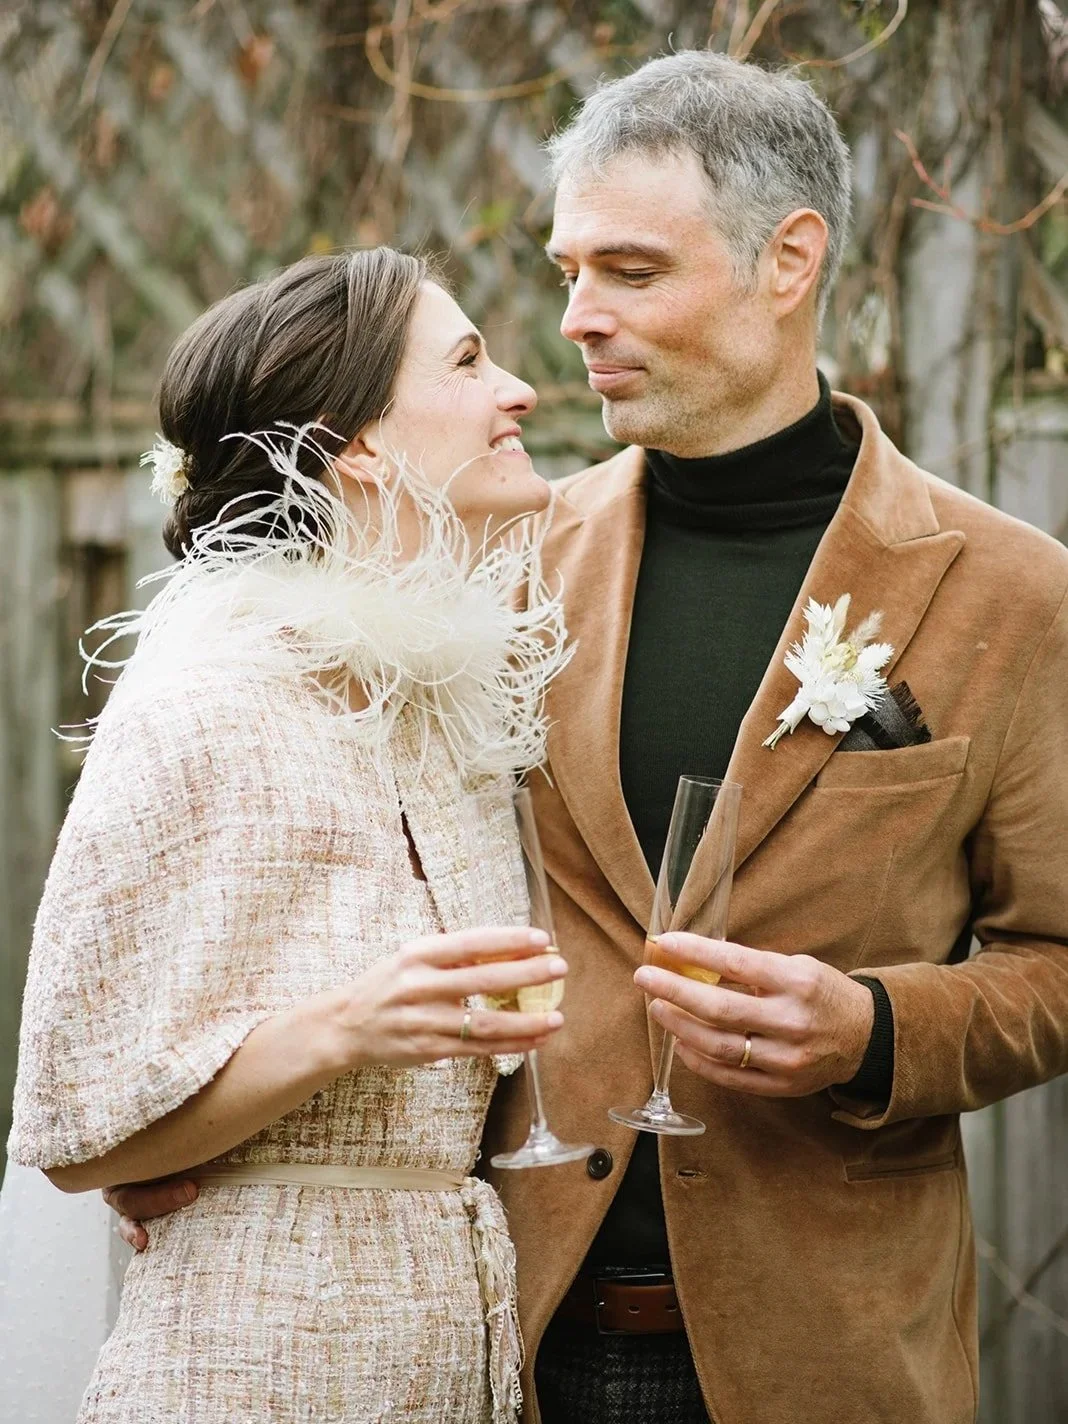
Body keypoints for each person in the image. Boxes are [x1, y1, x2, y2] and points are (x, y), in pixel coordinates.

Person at [107, 51, 1068, 1424]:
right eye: (568, 271)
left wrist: (873, 1029)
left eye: (629, 272)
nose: (575, 320)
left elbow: (1058, 960)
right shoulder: (494, 569)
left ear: (788, 260)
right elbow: (339, 868)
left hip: (829, 1356)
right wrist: (226, 1143)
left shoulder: (1013, 592)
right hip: (509, 1337)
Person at [5, 246, 574, 1424]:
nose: (518, 387)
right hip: (252, 1360)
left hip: (458, 1352)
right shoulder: (204, 697)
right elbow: (70, 1124)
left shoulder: (445, 697)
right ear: (357, 440)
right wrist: (348, 1026)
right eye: (468, 361)